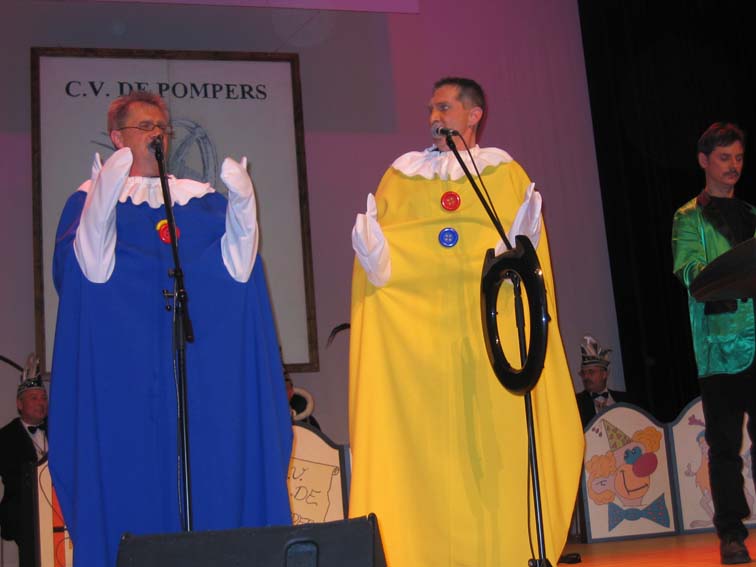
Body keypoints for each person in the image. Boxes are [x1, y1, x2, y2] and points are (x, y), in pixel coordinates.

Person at [48, 91, 293, 567]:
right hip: (127, 378)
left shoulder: (198, 201)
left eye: (161, 126)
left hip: (195, 377)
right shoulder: (88, 197)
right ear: (117, 137)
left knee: (211, 478)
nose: (156, 135)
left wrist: (243, 207)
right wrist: (104, 195)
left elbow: (234, 275)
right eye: (144, 127)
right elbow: (84, 277)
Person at [348, 77, 584, 567]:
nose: (433, 117)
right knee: (424, 450)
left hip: (486, 342)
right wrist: (373, 256)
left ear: (474, 115)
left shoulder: (502, 172)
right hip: (419, 347)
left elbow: (521, 256)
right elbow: (386, 264)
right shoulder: (401, 176)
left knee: (494, 448)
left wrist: (523, 242)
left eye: (444, 107)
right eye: (431, 109)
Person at [672, 122, 756, 565]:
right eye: (725, 158)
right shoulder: (689, 218)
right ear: (704, 161)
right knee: (724, 448)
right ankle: (731, 534)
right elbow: (691, 272)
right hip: (719, 349)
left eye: (738, 158)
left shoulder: (753, 214)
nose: (733, 166)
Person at [0, 360, 48, 567]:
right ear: (19, 404)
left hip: (58, 517)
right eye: (34, 398)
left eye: (44, 398)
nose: (41, 403)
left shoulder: (59, 430)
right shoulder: (6, 437)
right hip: (25, 520)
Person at [575, 335, 631, 427]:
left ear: (604, 374)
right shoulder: (576, 403)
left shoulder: (625, 400)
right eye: (583, 373)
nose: (586, 377)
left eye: (591, 372)